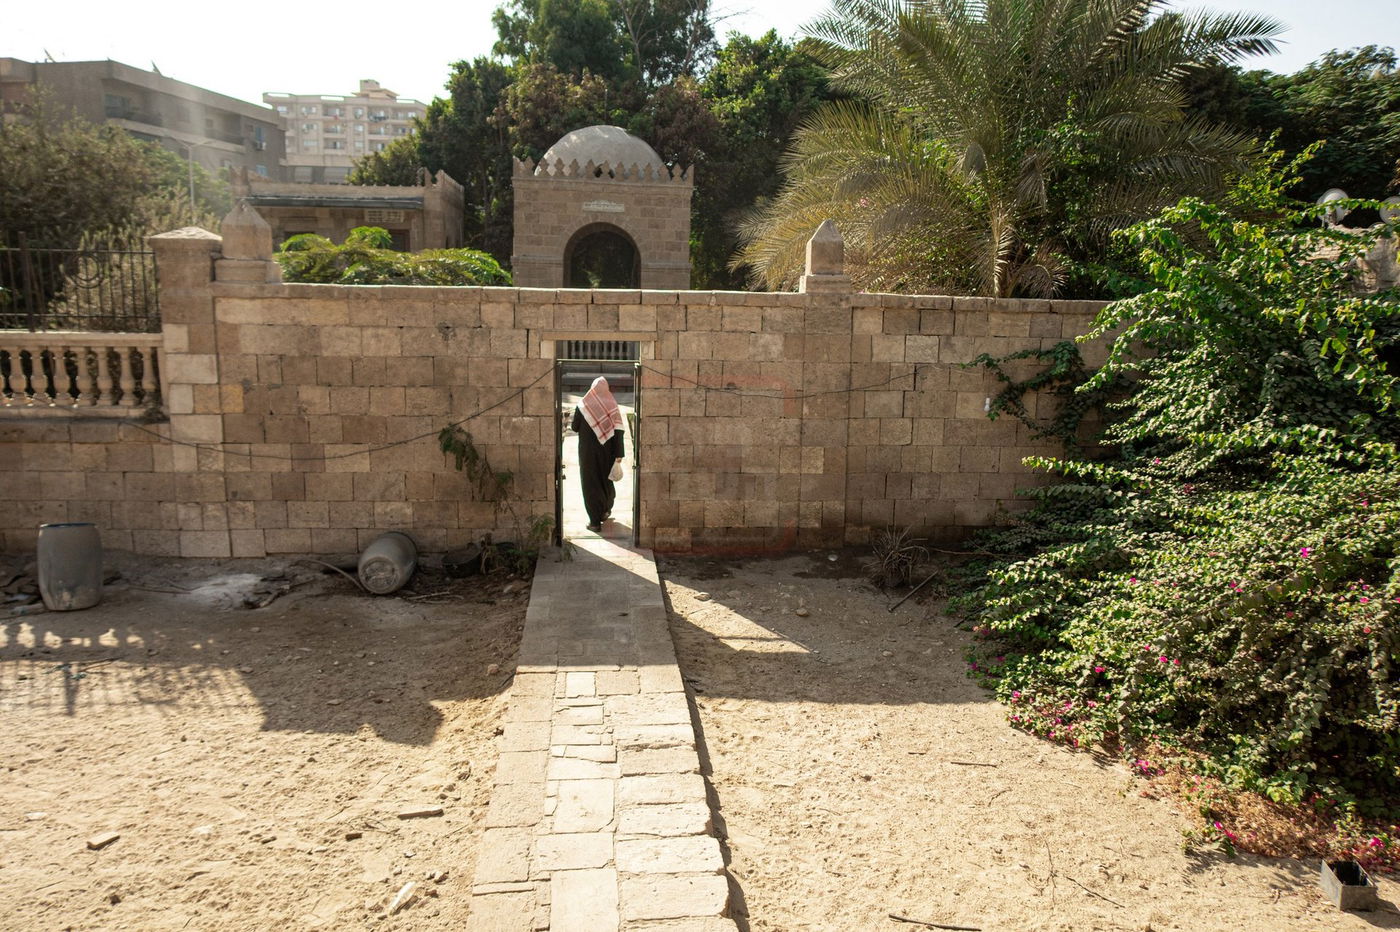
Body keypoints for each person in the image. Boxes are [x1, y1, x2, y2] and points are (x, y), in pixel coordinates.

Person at [571, 376, 626, 532]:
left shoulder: (582, 406)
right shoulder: (613, 406)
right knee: (605, 481)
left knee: (590, 484)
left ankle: (594, 521)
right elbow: (619, 432)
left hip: (587, 453)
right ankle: (604, 511)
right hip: (607, 453)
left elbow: (575, 427)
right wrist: (619, 455)